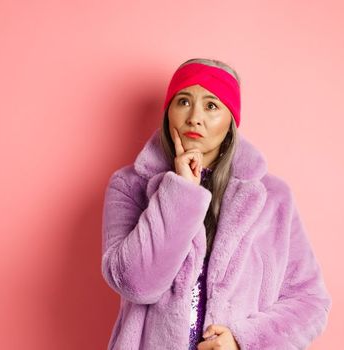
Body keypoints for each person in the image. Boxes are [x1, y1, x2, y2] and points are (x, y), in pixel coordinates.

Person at [101, 58, 331, 349]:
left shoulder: (273, 197)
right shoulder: (130, 185)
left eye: (211, 106)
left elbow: (310, 301)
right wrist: (180, 190)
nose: (194, 116)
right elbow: (137, 282)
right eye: (183, 101)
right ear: (168, 112)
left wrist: (242, 340)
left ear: (231, 120)